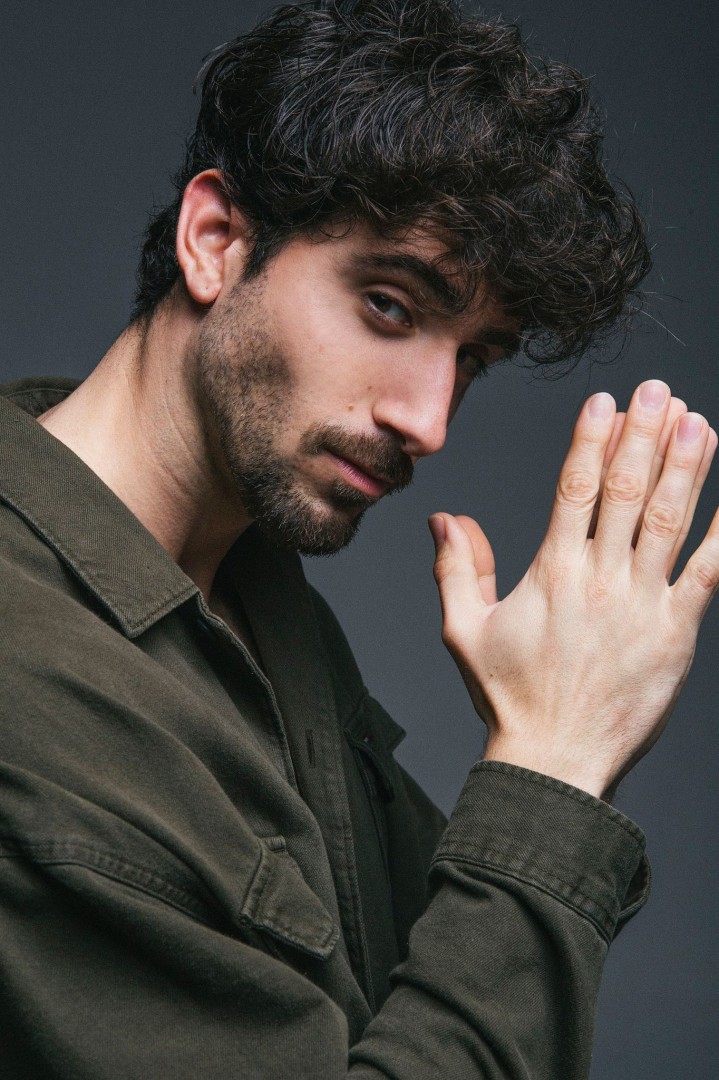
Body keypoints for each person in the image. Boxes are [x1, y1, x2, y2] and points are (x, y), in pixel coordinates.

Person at [0, 0, 716, 1076]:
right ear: (215, 241)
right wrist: (556, 757)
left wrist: (561, 741)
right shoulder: (26, 686)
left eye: (471, 359)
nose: (427, 421)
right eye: (388, 306)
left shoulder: (256, 598)